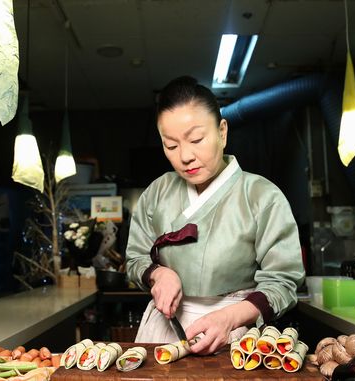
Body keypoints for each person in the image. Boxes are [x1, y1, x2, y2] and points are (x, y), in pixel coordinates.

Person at [125, 76, 305, 355]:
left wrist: (231, 318)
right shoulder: (156, 194)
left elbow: (283, 282)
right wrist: (158, 275)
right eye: (170, 146)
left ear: (222, 131)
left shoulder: (261, 196)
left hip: (236, 329)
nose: (185, 156)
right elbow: (135, 258)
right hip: (164, 328)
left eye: (196, 139)